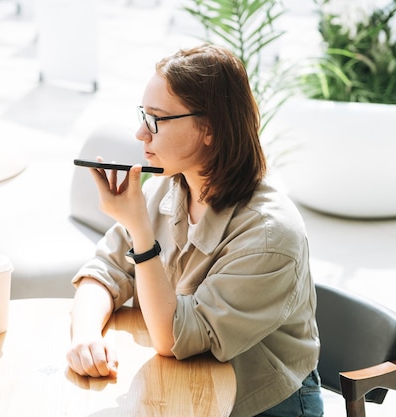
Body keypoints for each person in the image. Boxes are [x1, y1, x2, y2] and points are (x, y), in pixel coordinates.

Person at [66, 43, 323, 417]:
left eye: (156, 118)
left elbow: (175, 338)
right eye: (143, 114)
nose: (141, 133)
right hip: (183, 383)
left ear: (210, 129)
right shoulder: (172, 185)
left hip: (261, 402)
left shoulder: (269, 235)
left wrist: (139, 230)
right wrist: (85, 335)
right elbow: (106, 270)